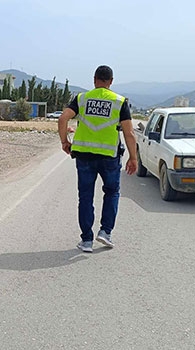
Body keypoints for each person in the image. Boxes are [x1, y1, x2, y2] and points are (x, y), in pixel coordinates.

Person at [57, 65, 137, 253]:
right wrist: (133, 158)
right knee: (112, 192)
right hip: (109, 157)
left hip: (84, 156)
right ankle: (105, 232)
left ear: (94, 79)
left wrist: (64, 142)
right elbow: (130, 133)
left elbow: (62, 119)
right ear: (111, 81)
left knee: (85, 197)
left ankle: (86, 241)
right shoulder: (120, 101)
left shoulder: (81, 99)